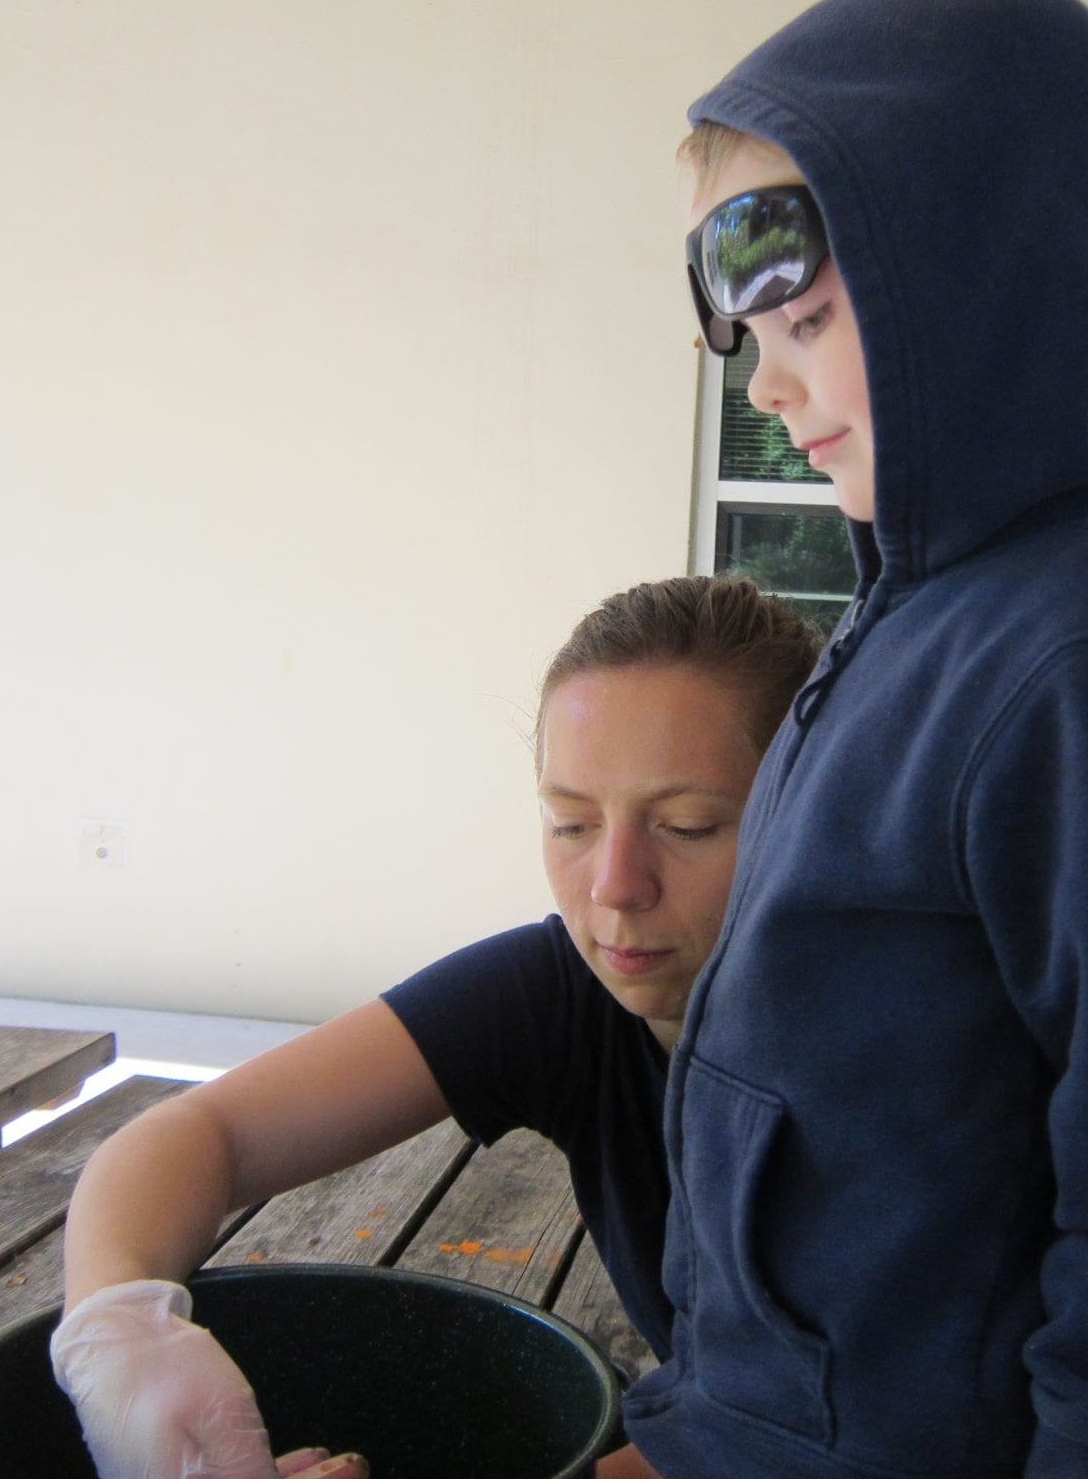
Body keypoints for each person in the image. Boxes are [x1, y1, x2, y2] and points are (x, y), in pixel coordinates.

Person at [618, 0, 1088, 1479]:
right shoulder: (909, 624)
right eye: (748, 338)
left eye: (806, 315)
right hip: (758, 1422)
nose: (768, 387)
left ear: (987, 276)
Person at [49, 574, 823, 1479]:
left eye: (687, 826)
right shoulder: (565, 992)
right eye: (571, 822)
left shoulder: (883, 1052)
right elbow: (202, 1133)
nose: (615, 885)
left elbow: (796, 1445)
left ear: (808, 814)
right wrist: (123, 1338)